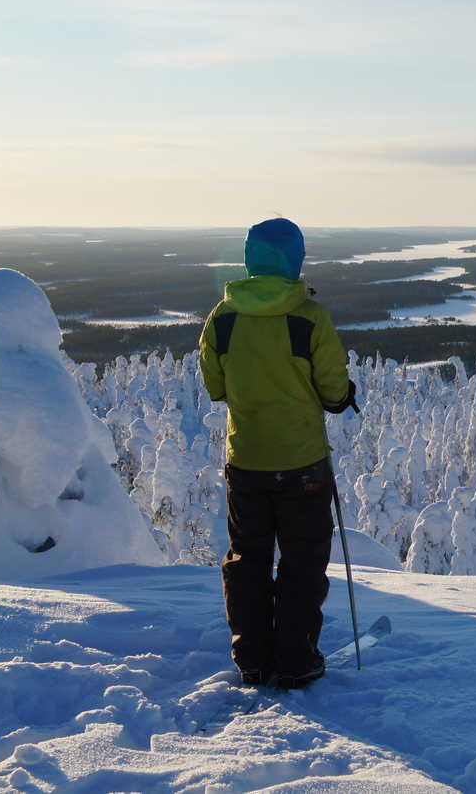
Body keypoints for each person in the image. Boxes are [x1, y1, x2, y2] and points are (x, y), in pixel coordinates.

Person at [198, 218, 357, 689]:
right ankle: (295, 660)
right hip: (302, 463)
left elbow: (215, 386)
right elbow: (332, 390)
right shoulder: (308, 317)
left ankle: (252, 660)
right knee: (302, 562)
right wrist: (343, 394)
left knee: (248, 560)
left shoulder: (222, 317)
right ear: (295, 258)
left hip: (246, 460)